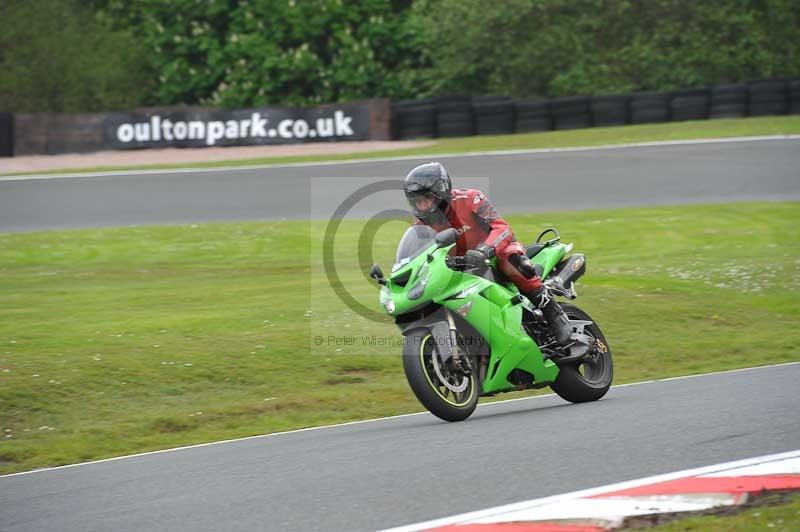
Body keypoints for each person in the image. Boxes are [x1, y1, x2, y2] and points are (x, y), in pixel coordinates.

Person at [403, 161, 573, 345]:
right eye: (417, 201)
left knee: (509, 259)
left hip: (495, 252)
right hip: (460, 268)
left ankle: (553, 311)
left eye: (426, 199)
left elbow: (502, 228)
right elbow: (420, 258)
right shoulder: (420, 227)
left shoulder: (470, 199)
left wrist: (485, 250)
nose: (422, 206)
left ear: (441, 192)